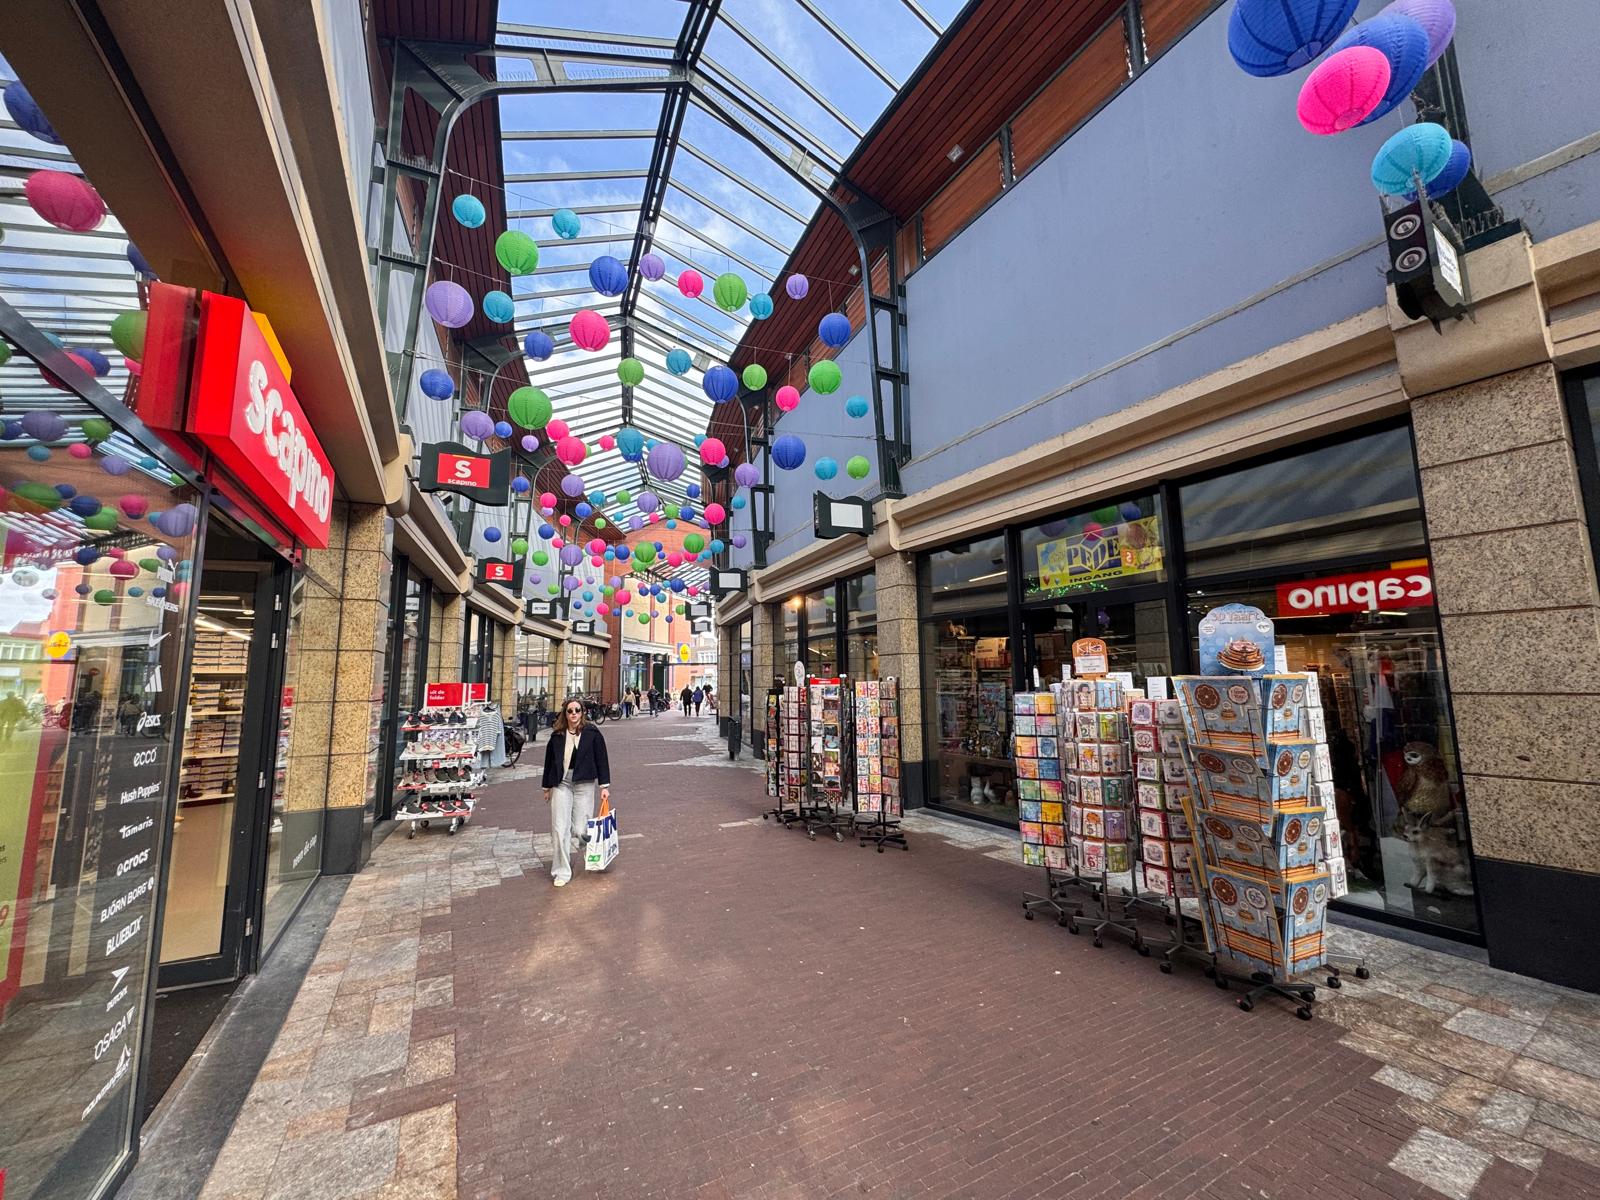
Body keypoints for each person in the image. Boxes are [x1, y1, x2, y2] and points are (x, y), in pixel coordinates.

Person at [541, 696, 611, 887]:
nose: (574, 714)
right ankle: (561, 871)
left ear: (582, 713)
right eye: (570, 711)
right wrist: (546, 787)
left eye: (577, 710)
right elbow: (549, 763)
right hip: (561, 783)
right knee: (559, 828)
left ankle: (590, 850)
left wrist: (604, 786)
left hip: (584, 783)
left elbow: (602, 759)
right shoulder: (557, 736)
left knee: (581, 829)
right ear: (565, 714)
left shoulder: (592, 733)